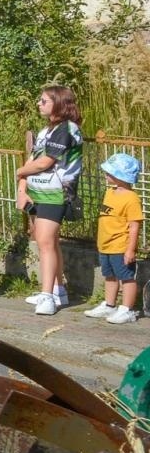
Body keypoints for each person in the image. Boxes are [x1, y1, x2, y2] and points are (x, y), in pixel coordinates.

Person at [15, 85, 83, 316]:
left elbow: (45, 162)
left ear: (59, 103)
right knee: (49, 242)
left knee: (45, 241)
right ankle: (57, 289)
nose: (39, 104)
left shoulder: (67, 129)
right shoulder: (46, 130)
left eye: (43, 101)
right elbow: (33, 158)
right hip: (39, 192)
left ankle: (47, 296)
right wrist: (22, 187)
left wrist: (19, 171)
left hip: (56, 194)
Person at [86, 153, 142, 325]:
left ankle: (127, 309)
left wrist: (130, 249)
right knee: (109, 275)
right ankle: (110, 305)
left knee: (126, 277)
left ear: (120, 176)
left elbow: (134, 226)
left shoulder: (131, 199)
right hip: (105, 245)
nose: (106, 175)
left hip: (120, 246)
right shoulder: (109, 192)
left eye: (109, 173)